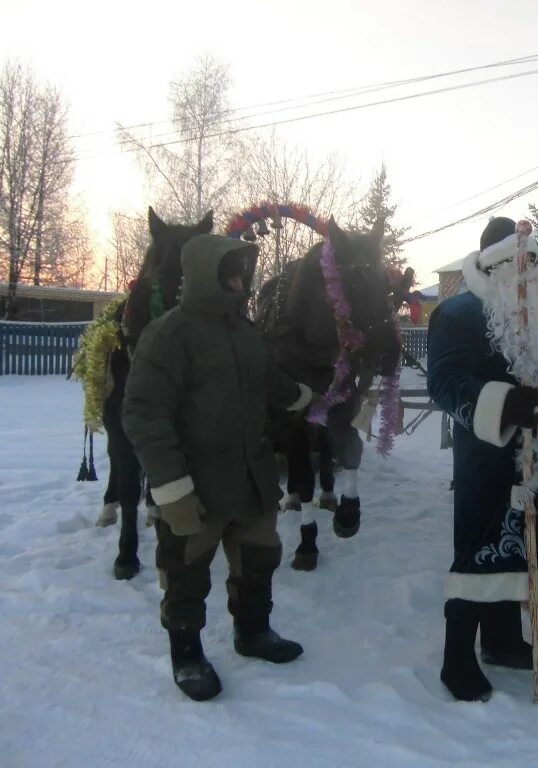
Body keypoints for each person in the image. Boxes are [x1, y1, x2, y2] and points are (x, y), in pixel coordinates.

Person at [122, 234, 315, 701]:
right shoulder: (170, 334)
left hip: (252, 478)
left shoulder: (246, 333)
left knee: (258, 558)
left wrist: (309, 397)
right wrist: (171, 485)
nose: (240, 279)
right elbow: (143, 412)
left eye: (243, 271)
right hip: (196, 484)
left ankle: (253, 631)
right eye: (231, 270)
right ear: (206, 273)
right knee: (186, 568)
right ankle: (186, 653)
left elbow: (273, 383)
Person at [426, 216, 538, 702]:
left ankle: (503, 639)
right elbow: (445, 383)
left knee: (524, 546)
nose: (528, 269)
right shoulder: (460, 312)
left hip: (536, 455)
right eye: (519, 260)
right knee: (480, 545)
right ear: (498, 263)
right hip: (486, 454)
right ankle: (457, 659)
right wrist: (507, 406)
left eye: (533, 260)